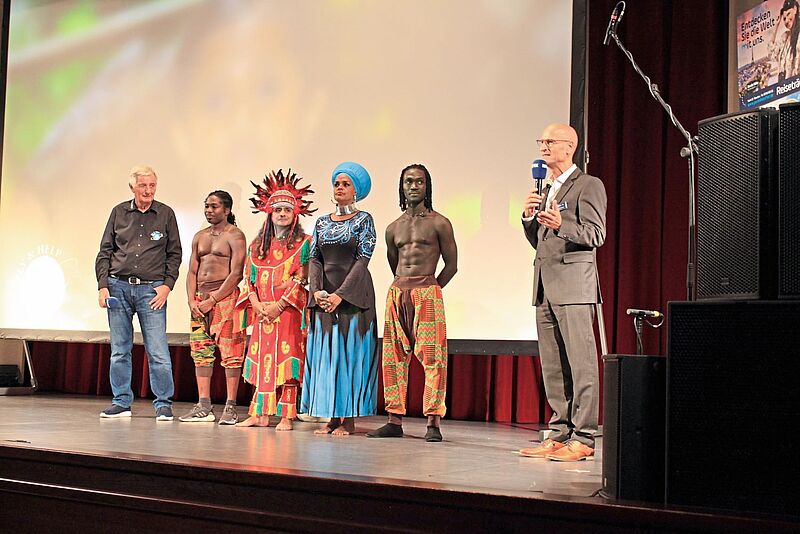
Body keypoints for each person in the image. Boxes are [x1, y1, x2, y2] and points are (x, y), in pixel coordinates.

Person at [519, 124, 607, 461]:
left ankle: (583, 438)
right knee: (553, 367)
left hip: (574, 287)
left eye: (549, 141)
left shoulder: (588, 185)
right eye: (540, 141)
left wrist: (561, 224)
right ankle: (559, 433)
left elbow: (596, 234)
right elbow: (540, 243)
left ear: (569, 147)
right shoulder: (546, 189)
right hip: (545, 286)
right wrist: (529, 219)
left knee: (581, 365)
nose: (543, 146)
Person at [366, 164, 457, 442]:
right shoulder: (393, 228)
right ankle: (394, 420)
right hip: (398, 291)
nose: (413, 186)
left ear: (427, 186)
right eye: (408, 182)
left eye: (419, 181)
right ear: (401, 187)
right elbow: (394, 263)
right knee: (392, 357)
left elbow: (452, 265)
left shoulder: (440, 223)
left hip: (427, 292)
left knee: (433, 358)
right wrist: (405, 286)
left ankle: (433, 422)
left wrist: (430, 289)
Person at [95, 165, 182, 420]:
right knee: (119, 350)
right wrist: (103, 285)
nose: (148, 190)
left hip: (151, 290)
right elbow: (105, 251)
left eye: (152, 185)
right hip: (118, 287)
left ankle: (163, 404)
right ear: (132, 187)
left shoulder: (165, 214)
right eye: (143, 185)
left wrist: (167, 286)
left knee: (158, 351)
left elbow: (174, 254)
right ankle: (121, 402)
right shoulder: (118, 212)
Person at [300, 162, 379, 436]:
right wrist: (317, 291)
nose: (340, 188)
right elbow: (314, 258)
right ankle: (332, 417)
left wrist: (340, 295)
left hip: (354, 296)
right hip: (324, 295)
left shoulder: (364, 220)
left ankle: (349, 419)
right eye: (337, 183)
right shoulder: (322, 222)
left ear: (356, 191)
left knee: (350, 356)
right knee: (327, 356)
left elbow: (362, 260)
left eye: (346, 184)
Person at [234, 170, 314, 430]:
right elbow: (249, 280)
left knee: (286, 361)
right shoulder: (257, 246)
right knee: (261, 360)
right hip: (262, 313)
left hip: (287, 313)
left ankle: (287, 416)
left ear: (295, 214)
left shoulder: (304, 244)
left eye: (287, 210)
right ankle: (259, 414)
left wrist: (278, 307)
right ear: (269, 213)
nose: (282, 214)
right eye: (277, 209)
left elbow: (301, 280)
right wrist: (258, 305)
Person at [179, 191, 247, 424]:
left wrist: (214, 299)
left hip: (225, 299)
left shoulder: (235, 235)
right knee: (200, 352)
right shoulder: (199, 236)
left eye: (214, 206)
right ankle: (203, 405)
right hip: (200, 299)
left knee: (231, 353)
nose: (209, 210)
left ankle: (230, 406)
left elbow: (236, 273)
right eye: (206, 206)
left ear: (226, 210)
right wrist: (191, 300)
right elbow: (192, 271)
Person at [770, 0, 800, 81]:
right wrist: (776, 26)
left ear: (795, 9)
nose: (786, 21)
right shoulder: (785, 37)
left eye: (788, 14)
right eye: (784, 18)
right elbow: (772, 54)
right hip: (783, 84)